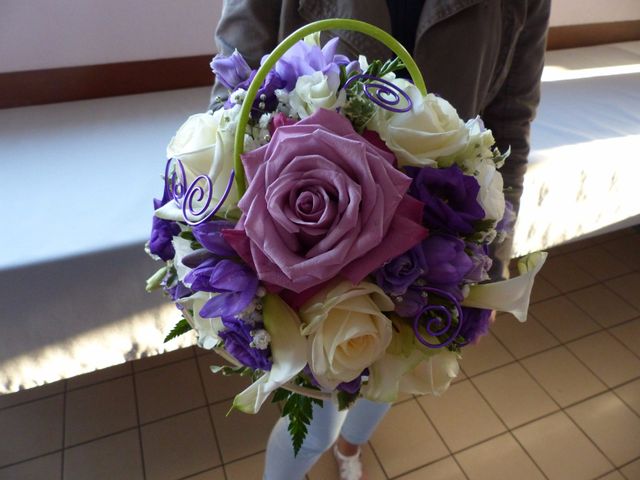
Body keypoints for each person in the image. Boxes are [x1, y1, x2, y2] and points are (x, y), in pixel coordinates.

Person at [211, 1, 551, 478]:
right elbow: (232, 90)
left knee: (393, 373)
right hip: (301, 241)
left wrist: (495, 257)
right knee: (313, 425)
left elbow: (510, 119)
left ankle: (352, 446)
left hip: (436, 236)